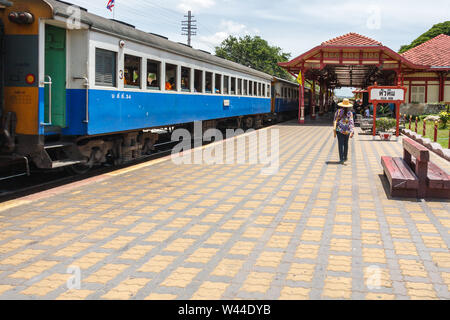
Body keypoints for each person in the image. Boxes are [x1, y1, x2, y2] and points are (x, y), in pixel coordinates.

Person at [334, 98, 355, 164]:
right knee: (346, 144)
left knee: (340, 144)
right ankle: (345, 157)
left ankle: (341, 159)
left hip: (339, 130)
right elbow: (351, 122)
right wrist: (352, 131)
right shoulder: (350, 113)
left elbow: (335, 120)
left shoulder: (338, 111)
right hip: (347, 131)